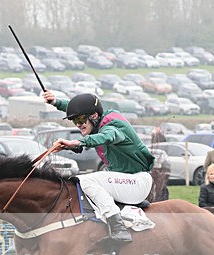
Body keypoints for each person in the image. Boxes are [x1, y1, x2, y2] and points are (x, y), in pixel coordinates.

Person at [44, 91, 154, 244]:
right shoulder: (97, 121)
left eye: (81, 119)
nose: (78, 124)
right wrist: (56, 102)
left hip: (137, 182)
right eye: (75, 120)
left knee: (86, 180)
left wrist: (77, 143)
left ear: (94, 116)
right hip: (125, 182)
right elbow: (78, 108)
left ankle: (119, 229)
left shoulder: (113, 125)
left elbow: (107, 137)